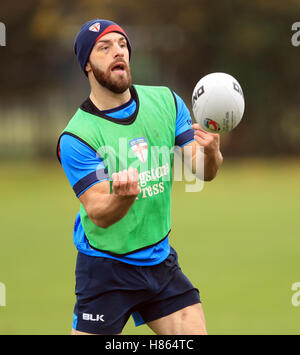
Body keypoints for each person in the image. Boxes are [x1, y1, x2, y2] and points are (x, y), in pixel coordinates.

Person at [57, 19, 223, 335]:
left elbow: (203, 171)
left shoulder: (166, 102)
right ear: (87, 66)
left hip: (160, 263)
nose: (117, 51)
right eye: (104, 48)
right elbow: (99, 213)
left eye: (121, 44)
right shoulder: (77, 137)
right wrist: (123, 198)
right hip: (106, 270)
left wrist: (212, 151)